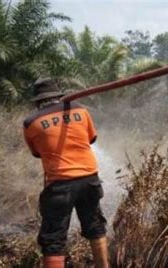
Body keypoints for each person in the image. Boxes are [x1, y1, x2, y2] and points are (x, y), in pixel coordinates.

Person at [23, 78, 109, 268]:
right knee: (96, 227)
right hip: (89, 179)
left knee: (53, 238)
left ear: (38, 101)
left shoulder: (30, 123)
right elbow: (91, 138)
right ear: (59, 96)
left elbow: (37, 153)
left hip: (59, 185)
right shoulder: (80, 110)